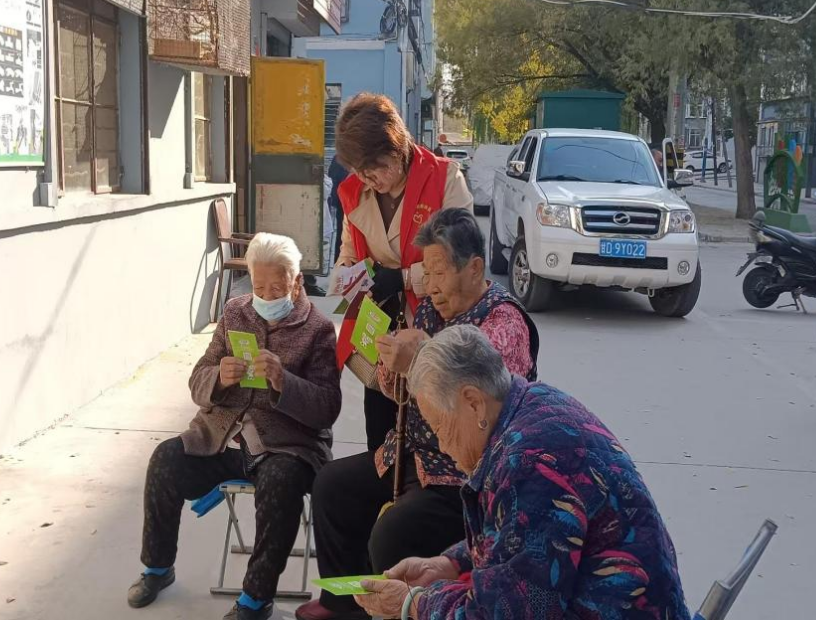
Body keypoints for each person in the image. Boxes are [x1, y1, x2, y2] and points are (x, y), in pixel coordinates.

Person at [296, 208, 539, 620]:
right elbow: (401, 392)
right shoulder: (428, 310)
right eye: (426, 273)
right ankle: (344, 605)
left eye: (440, 272)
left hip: (460, 469)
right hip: (409, 452)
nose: (432, 285)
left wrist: (420, 355)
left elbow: (481, 399)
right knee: (333, 486)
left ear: (474, 268)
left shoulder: (504, 321)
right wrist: (391, 363)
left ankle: (394, 607)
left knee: (392, 534)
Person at [354, 325, 690, 620]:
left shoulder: (530, 464)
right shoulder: (531, 400)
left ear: (473, 403)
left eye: (440, 426)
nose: (442, 445)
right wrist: (451, 564)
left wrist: (414, 603)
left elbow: (507, 612)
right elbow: (521, 542)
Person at [128, 233, 342, 620]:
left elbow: (327, 408)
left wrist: (284, 382)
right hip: (222, 437)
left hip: (286, 445)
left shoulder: (318, 329)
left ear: (296, 282)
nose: (267, 296)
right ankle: (157, 567)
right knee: (165, 459)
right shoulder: (234, 313)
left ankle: (256, 598)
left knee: (281, 483)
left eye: (277, 287)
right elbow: (197, 381)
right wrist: (219, 377)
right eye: (259, 287)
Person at [331, 93, 474, 451]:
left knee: (435, 438)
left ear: (396, 148)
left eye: (374, 168)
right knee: (380, 438)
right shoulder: (355, 191)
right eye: (359, 171)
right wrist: (349, 275)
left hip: (434, 328)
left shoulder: (443, 178)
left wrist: (405, 277)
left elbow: (461, 258)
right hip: (380, 332)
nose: (368, 178)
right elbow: (348, 250)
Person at [326, 156, 350, 263]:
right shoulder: (339, 160)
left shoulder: (339, 158)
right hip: (346, 202)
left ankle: (339, 264)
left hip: (343, 202)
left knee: (342, 236)